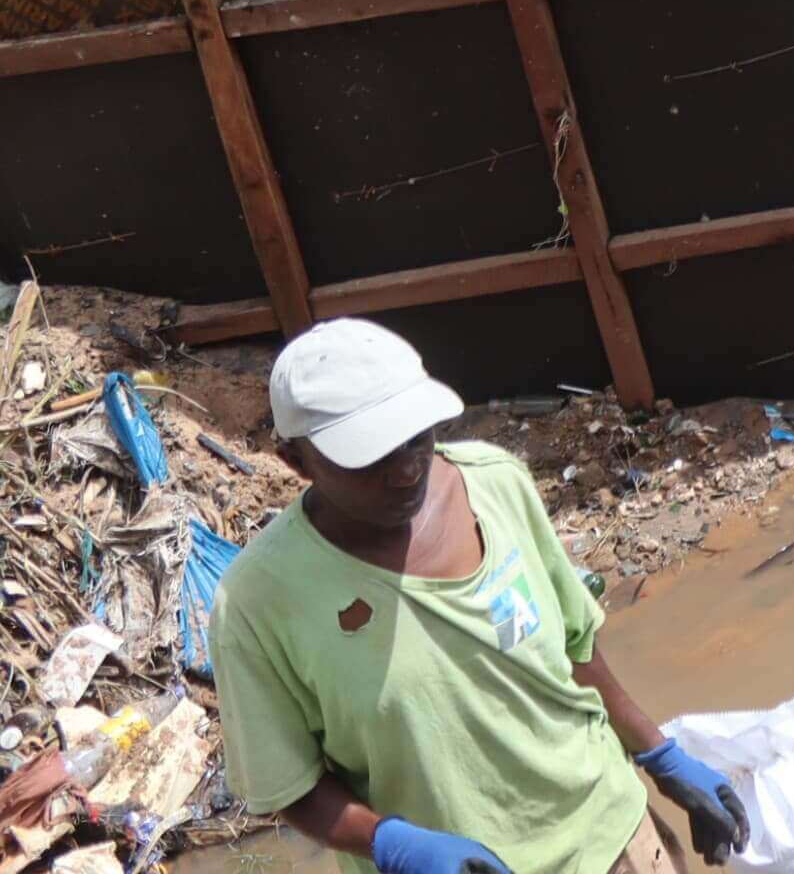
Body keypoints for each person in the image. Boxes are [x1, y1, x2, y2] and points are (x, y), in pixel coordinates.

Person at [212, 320, 753, 874]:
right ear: (295, 461)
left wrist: (659, 755)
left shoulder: (496, 485)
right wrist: (391, 843)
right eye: (370, 458)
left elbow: (574, 648)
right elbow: (290, 785)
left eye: (415, 437)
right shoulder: (258, 602)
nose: (406, 470)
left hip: (613, 839)